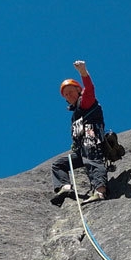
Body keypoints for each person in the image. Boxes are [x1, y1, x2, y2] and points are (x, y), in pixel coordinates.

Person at [51, 60, 108, 203]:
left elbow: (89, 88)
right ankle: (65, 186)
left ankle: (100, 191)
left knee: (92, 161)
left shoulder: (86, 102)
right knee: (59, 164)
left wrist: (83, 72)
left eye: (70, 92)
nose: (69, 96)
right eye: (66, 95)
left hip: (92, 139)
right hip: (81, 147)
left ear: (78, 90)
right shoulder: (75, 114)